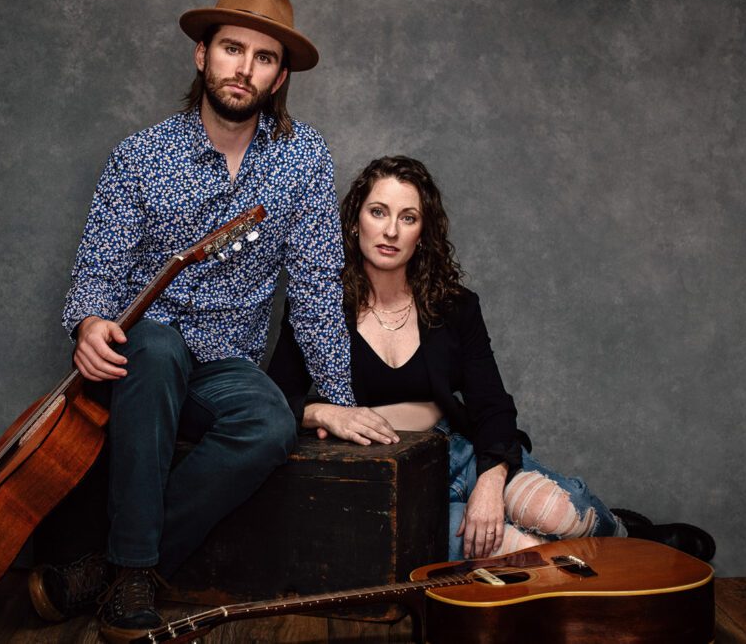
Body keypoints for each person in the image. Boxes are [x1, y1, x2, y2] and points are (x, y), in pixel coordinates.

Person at [27, 0, 356, 642]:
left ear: (280, 74)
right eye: (232, 49)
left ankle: (116, 569)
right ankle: (133, 580)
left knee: (267, 422)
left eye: (264, 57)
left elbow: (317, 286)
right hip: (146, 360)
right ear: (201, 55)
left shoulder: (303, 158)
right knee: (152, 346)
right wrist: (91, 323)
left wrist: (339, 393)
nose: (245, 68)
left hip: (227, 363)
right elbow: (96, 273)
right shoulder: (140, 157)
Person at [268, 155, 715, 563]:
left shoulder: (453, 307)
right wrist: (321, 411)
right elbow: (270, 400)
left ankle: (628, 537)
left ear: (423, 234)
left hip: (459, 453)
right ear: (355, 221)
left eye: (408, 218)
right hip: (389, 482)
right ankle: (625, 564)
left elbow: (492, 404)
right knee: (531, 553)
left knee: (557, 513)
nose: (390, 231)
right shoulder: (318, 304)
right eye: (378, 212)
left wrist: (491, 478)